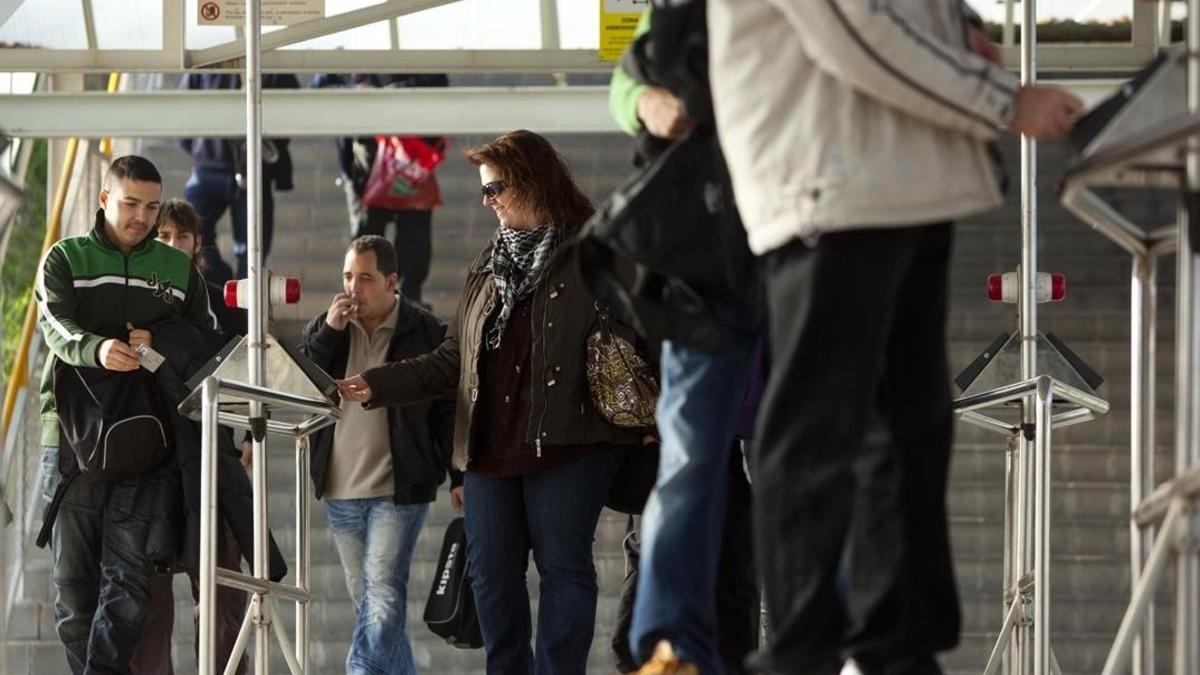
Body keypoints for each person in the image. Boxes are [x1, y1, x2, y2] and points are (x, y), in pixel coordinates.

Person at [705, 2, 1084, 673]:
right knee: (818, 432)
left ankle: (897, 648)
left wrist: (958, 30)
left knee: (911, 428)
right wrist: (1001, 98)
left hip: (899, 177)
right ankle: (802, 651)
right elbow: (853, 31)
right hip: (832, 176)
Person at [337, 130, 644, 675]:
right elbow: (452, 360)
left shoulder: (595, 253)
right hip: (487, 449)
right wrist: (378, 384)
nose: (488, 200)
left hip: (571, 443)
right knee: (491, 577)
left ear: (533, 180)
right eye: (483, 191)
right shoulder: (486, 266)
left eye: (496, 187)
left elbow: (642, 335)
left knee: (563, 569)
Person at [606, 5, 762, 674]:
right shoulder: (686, 13)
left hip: (807, 244)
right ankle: (670, 647)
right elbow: (626, 81)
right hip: (712, 258)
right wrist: (646, 102)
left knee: (805, 461)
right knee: (693, 453)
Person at [34, 156, 218, 674]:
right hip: (72, 441)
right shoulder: (65, 258)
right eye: (131, 203)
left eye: (152, 206)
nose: (142, 216)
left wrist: (159, 341)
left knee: (131, 589)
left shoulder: (179, 270)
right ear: (104, 199)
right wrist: (96, 349)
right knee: (74, 592)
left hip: (148, 443)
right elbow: (54, 325)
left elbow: (206, 343)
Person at [298, 235, 456, 675]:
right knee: (371, 602)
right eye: (348, 276)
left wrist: (458, 473)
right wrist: (329, 332)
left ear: (392, 281)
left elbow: (446, 410)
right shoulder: (326, 328)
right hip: (339, 488)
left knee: (384, 590)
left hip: (398, 488)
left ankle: (360, 669)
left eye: (365, 278)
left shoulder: (425, 331)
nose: (353, 288)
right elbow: (303, 386)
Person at [128, 198, 249, 675]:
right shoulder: (131, 302)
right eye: (162, 236)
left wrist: (249, 442)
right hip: (151, 464)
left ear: (198, 243)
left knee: (222, 596)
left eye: (181, 236)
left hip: (213, 461)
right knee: (150, 604)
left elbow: (245, 375)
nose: (172, 245)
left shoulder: (223, 302)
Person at [316, 73, 450, 305]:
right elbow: (320, 85)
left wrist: (390, 90)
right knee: (364, 246)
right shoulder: (348, 51)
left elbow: (438, 81)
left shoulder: (418, 54)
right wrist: (355, 89)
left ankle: (407, 306)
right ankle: (364, 303)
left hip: (410, 167)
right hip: (365, 170)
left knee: (414, 248)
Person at [179, 73, 299, 285]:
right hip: (210, 166)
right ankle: (222, 285)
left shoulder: (272, 63)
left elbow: (294, 112)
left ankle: (244, 309)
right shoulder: (206, 60)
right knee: (189, 232)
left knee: (253, 248)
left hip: (250, 168)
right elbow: (182, 111)